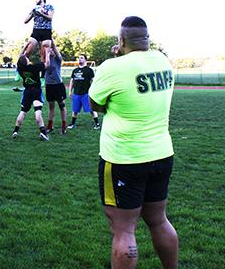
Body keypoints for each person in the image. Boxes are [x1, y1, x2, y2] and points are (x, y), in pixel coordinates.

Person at [88, 16, 178, 269]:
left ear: (122, 40)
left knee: (124, 230)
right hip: (161, 154)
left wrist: (117, 60)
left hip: (123, 159)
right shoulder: (162, 60)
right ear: (147, 39)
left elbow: (95, 104)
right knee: (159, 220)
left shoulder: (112, 67)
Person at [12, 44, 51, 141]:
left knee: (23, 112)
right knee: (38, 112)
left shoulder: (21, 68)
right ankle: (43, 132)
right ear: (27, 61)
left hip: (27, 92)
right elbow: (47, 64)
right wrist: (47, 52)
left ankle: (15, 131)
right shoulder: (34, 67)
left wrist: (24, 47)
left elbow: (20, 58)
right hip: (36, 91)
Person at [67, 54, 100, 130]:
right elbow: (72, 81)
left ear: (85, 60)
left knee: (92, 109)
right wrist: (70, 91)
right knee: (75, 110)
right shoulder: (75, 70)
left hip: (86, 94)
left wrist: (94, 91)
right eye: (79, 58)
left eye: (81, 58)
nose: (80, 59)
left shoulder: (89, 70)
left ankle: (97, 124)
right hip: (76, 93)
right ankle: (72, 124)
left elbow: (93, 81)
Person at [44, 40, 67, 134]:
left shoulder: (58, 59)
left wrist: (50, 39)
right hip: (49, 86)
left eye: (52, 49)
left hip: (58, 85)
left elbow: (54, 48)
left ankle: (64, 125)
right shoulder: (45, 59)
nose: (51, 51)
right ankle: (50, 126)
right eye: (49, 50)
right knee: (51, 107)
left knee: (62, 105)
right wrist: (47, 52)